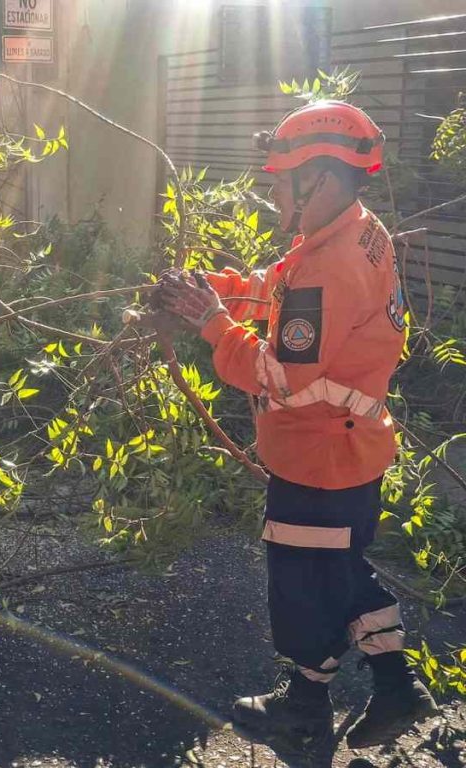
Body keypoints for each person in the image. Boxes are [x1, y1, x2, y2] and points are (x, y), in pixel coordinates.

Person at [157, 101, 438, 758]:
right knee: (335, 575)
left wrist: (213, 326)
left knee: (308, 583)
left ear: (320, 178)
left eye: (281, 181)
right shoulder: (348, 235)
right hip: (344, 452)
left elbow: (281, 378)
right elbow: (274, 291)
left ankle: (312, 709)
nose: (272, 192)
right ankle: (375, 693)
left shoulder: (333, 265)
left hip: (320, 458)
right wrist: (207, 288)